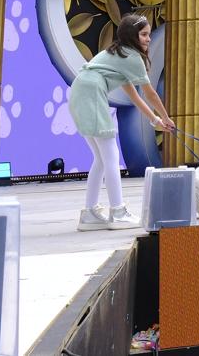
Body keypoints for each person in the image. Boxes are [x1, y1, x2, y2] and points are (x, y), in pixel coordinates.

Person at [70, 13, 174, 231]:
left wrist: (155, 119)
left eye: (148, 34)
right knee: (110, 157)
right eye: (144, 34)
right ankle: (117, 212)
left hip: (81, 90)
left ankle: (89, 213)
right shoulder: (132, 58)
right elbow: (151, 94)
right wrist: (165, 117)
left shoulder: (119, 54)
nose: (148, 39)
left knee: (100, 158)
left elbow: (135, 97)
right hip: (91, 91)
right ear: (132, 35)